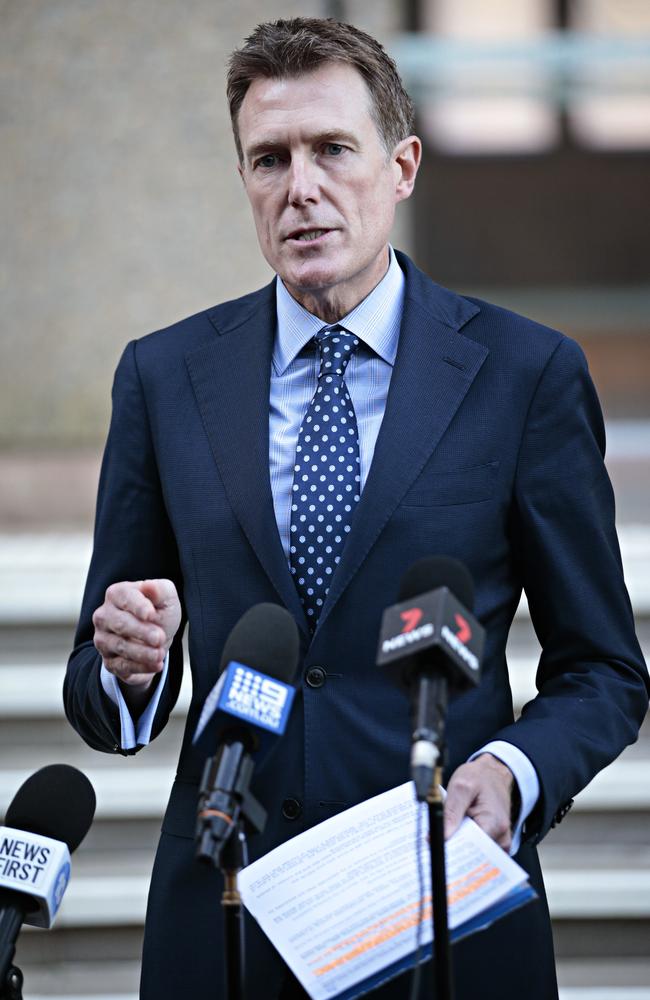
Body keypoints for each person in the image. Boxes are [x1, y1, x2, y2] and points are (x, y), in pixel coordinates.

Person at [64, 17, 648, 1000]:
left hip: (444, 913)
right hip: (226, 918)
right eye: (268, 159)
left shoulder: (524, 374)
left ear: (402, 164)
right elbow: (101, 680)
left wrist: (510, 768)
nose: (300, 187)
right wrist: (131, 667)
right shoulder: (163, 378)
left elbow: (602, 671)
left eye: (332, 149)